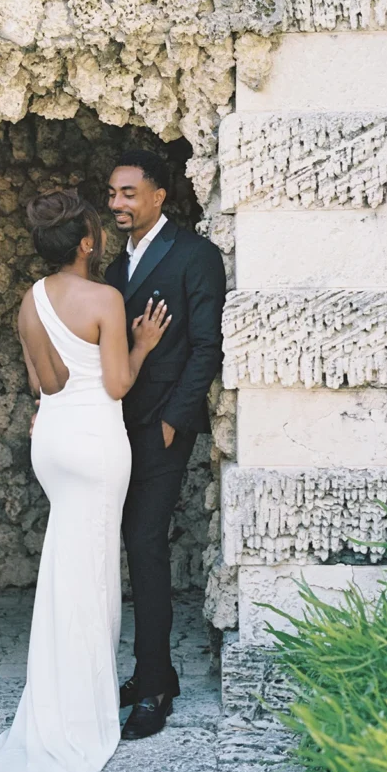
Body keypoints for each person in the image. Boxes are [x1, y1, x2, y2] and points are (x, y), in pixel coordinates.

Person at [0, 188, 171, 772]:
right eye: (95, 230)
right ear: (86, 243)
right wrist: (142, 344)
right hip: (94, 444)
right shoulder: (106, 298)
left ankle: (58, 699)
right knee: (92, 581)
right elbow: (114, 385)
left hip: (52, 443)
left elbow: (43, 382)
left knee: (67, 571)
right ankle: (78, 715)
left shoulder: (29, 301)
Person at [105, 149, 226, 741]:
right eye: (112, 195)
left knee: (145, 544)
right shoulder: (113, 267)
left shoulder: (196, 256)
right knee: (128, 548)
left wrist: (175, 421)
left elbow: (206, 346)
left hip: (160, 430)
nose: (118, 204)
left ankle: (153, 687)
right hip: (111, 426)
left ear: (158, 196)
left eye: (128, 193)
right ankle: (155, 671)